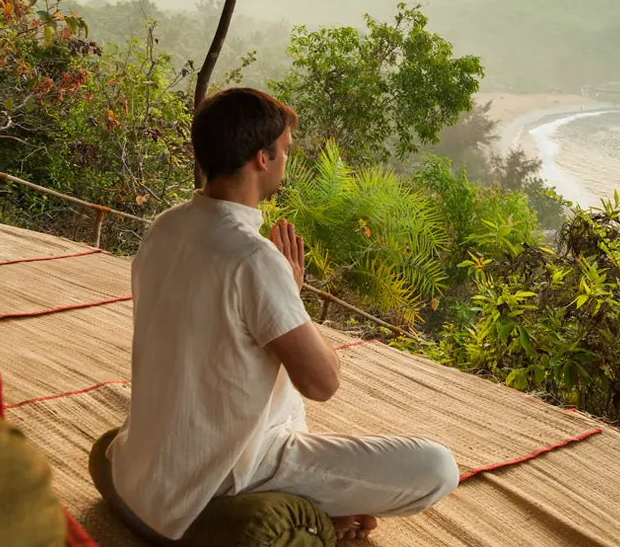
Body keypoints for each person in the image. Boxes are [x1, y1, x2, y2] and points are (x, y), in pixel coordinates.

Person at [107, 88, 458, 542]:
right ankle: (300, 512)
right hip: (220, 474)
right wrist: (293, 299)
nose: (287, 161)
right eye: (286, 150)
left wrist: (282, 296)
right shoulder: (252, 256)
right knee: (437, 468)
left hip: (147, 466)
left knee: (281, 402)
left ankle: (310, 504)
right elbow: (322, 383)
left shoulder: (166, 226)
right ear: (262, 159)